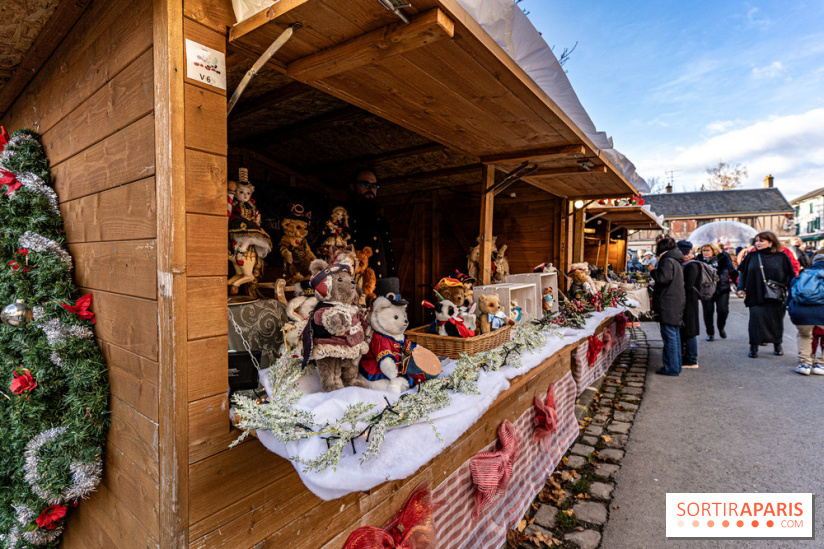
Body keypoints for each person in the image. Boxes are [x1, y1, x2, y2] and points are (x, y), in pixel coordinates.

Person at [736, 231, 796, 358]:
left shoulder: (782, 257)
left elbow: (790, 275)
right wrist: (740, 288)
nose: (758, 243)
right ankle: (754, 346)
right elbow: (742, 273)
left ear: (771, 242)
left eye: (761, 241)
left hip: (776, 295)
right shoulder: (751, 256)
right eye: (756, 241)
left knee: (775, 321)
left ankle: (777, 344)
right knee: (755, 321)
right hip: (755, 293)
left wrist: (790, 292)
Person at [345, 169, 396, 279]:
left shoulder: (381, 221)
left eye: (375, 186)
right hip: (355, 285)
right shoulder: (344, 217)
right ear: (353, 187)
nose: (371, 189)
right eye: (365, 184)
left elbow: (388, 257)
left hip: (382, 284)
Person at [651, 237, 686, 376]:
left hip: (668, 302)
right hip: (675, 301)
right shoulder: (676, 259)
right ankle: (675, 366)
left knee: (670, 336)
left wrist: (653, 271)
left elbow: (663, 279)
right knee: (674, 335)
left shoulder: (667, 260)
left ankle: (671, 368)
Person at [787, 249, 824, 375]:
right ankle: (821, 364)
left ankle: (805, 364)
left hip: (803, 314)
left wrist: (793, 311)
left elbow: (790, 297)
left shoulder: (802, 274)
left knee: (804, 336)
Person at [699, 242, 737, 340]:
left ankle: (721, 327)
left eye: (707, 250)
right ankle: (710, 333)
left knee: (723, 310)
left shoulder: (723, 258)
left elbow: (732, 271)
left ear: (713, 250)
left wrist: (739, 285)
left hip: (722, 288)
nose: (705, 253)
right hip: (706, 289)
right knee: (708, 311)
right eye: (703, 250)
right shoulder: (699, 260)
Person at [676, 241, 701, 369]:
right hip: (688, 299)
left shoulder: (690, 265)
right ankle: (688, 356)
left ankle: (692, 359)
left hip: (689, 301)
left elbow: (688, 285)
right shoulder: (688, 263)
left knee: (690, 330)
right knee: (686, 329)